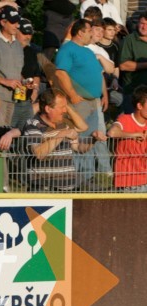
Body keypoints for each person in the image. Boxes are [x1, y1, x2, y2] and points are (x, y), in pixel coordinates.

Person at [55, 18, 111, 182]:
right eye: (89, 31)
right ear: (80, 33)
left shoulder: (88, 51)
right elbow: (60, 73)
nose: (92, 35)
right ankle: (75, 178)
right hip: (78, 102)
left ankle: (87, 177)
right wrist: (72, 94)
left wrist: (102, 95)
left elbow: (98, 74)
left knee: (90, 139)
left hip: (92, 101)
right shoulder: (67, 49)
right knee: (76, 139)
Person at [22, 89, 98, 192]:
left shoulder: (63, 124)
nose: (65, 111)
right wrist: (61, 135)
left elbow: (79, 145)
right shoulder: (33, 125)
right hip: (44, 188)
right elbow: (39, 153)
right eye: (62, 107)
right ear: (48, 109)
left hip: (68, 187)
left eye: (65, 107)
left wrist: (93, 140)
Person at [0, 6, 24, 126]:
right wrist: (5, 81)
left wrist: (25, 82)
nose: (17, 26)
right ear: (3, 22)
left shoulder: (18, 45)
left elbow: (17, 71)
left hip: (14, 98)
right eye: (13, 22)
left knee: (6, 133)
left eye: (18, 22)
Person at [107, 85, 147, 191]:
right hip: (128, 181)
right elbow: (112, 132)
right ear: (139, 106)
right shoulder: (125, 119)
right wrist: (134, 135)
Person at [117, 12, 147, 114]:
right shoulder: (129, 40)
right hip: (133, 93)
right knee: (131, 121)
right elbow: (123, 65)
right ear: (138, 23)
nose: (144, 27)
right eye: (142, 23)